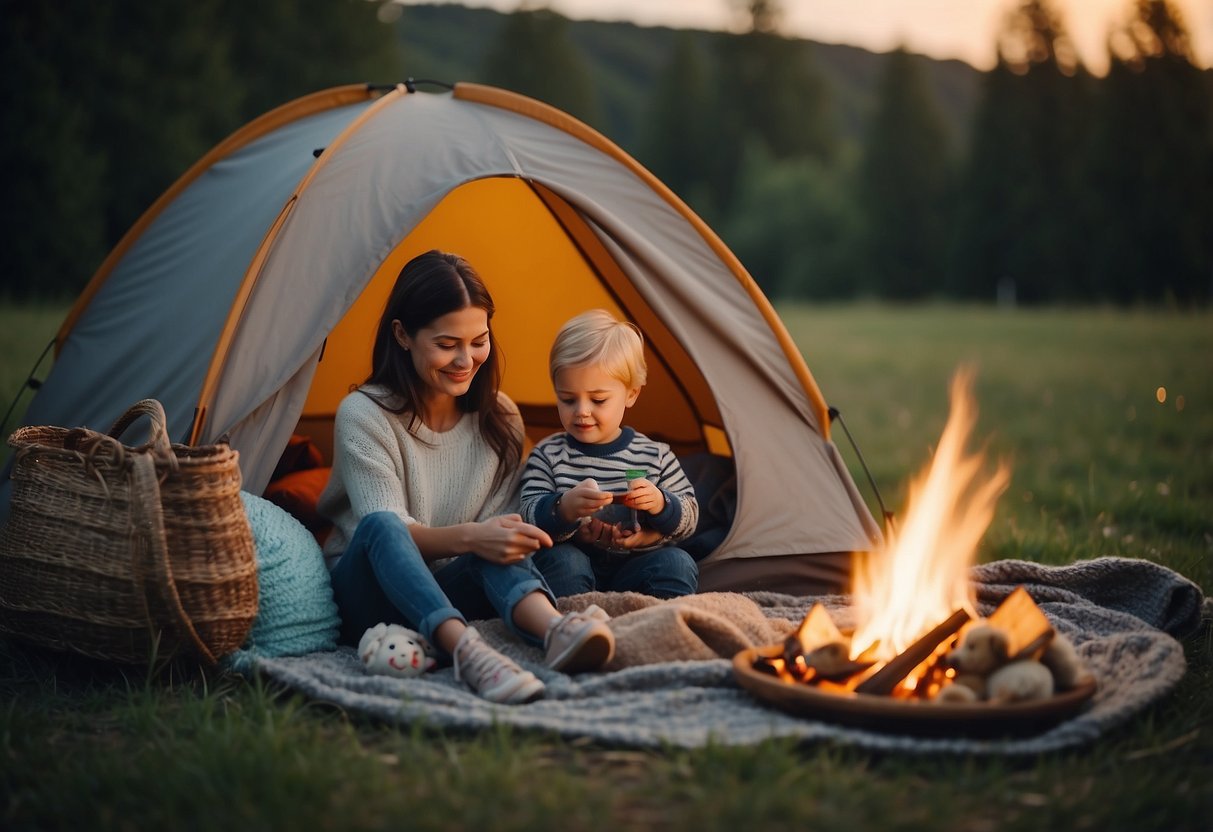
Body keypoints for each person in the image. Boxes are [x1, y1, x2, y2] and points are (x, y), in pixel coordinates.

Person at [317, 251, 615, 704]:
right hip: (371, 594)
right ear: (402, 335)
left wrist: (561, 517)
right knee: (384, 526)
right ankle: (472, 654)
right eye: (446, 344)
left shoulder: (501, 417)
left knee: (544, 553)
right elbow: (389, 528)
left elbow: (500, 530)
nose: (466, 359)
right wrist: (476, 538)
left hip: (454, 585)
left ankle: (557, 632)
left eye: (479, 340)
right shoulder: (365, 415)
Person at [520, 309, 699, 599]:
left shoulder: (654, 455)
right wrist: (564, 510)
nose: (581, 411)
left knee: (677, 563)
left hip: (636, 566)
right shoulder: (548, 455)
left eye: (598, 399)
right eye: (567, 399)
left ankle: (661, 624)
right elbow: (528, 513)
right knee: (563, 562)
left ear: (631, 394)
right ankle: (578, 629)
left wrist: (659, 504)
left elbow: (690, 517)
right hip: (574, 566)